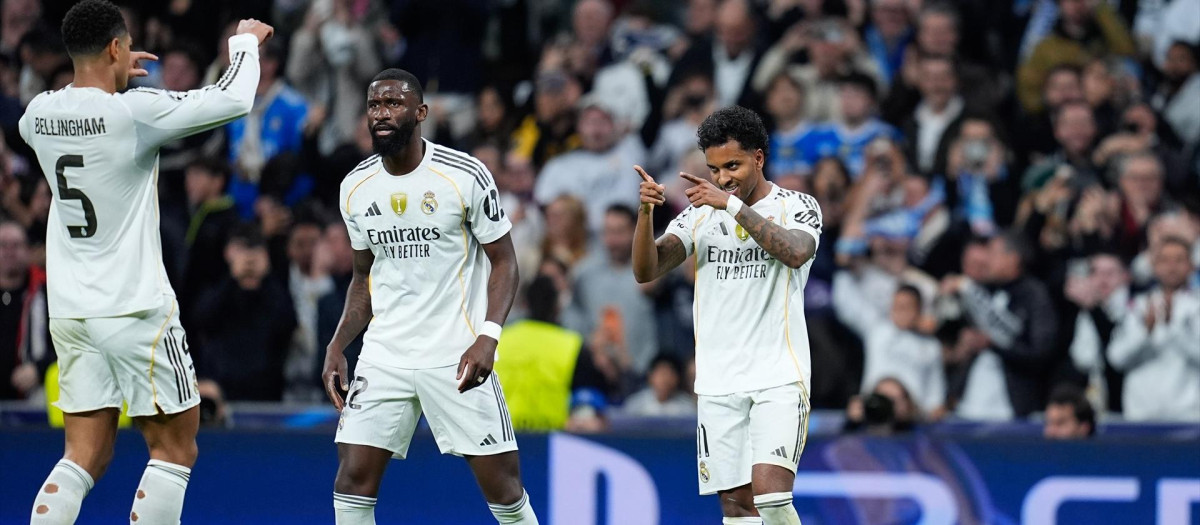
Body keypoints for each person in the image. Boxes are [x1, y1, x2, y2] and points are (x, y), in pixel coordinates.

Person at [16, 1, 272, 522]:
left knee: (82, 455)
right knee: (175, 448)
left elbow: (74, 111)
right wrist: (243, 43)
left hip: (71, 311)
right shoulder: (134, 112)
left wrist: (103, 79)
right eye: (126, 45)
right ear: (116, 48)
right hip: (134, 308)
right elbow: (234, 98)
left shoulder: (37, 114)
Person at [321, 69, 536, 524]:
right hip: (384, 353)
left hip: (456, 352)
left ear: (420, 113)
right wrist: (339, 343)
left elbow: (505, 262)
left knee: (504, 488)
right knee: (352, 482)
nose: (381, 113)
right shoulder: (355, 187)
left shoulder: (465, 175)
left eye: (393, 104)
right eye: (375, 105)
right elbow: (364, 277)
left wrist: (488, 337)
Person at [633, 105, 820, 525]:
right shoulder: (699, 215)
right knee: (736, 508)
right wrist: (645, 214)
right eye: (715, 169)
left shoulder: (797, 205)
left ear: (758, 157)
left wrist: (730, 207)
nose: (722, 178)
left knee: (771, 499)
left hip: (778, 376)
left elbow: (795, 253)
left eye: (732, 165)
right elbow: (647, 270)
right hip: (718, 383)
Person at [1108, 236, 1200, 422]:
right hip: (1141, 411)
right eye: (1165, 260)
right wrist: (1145, 332)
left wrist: (1174, 329)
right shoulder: (1137, 307)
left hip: (1188, 413)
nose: (1171, 267)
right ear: (1154, 266)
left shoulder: (1197, 306)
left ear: (1191, 266)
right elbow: (1116, 358)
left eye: (1179, 260)